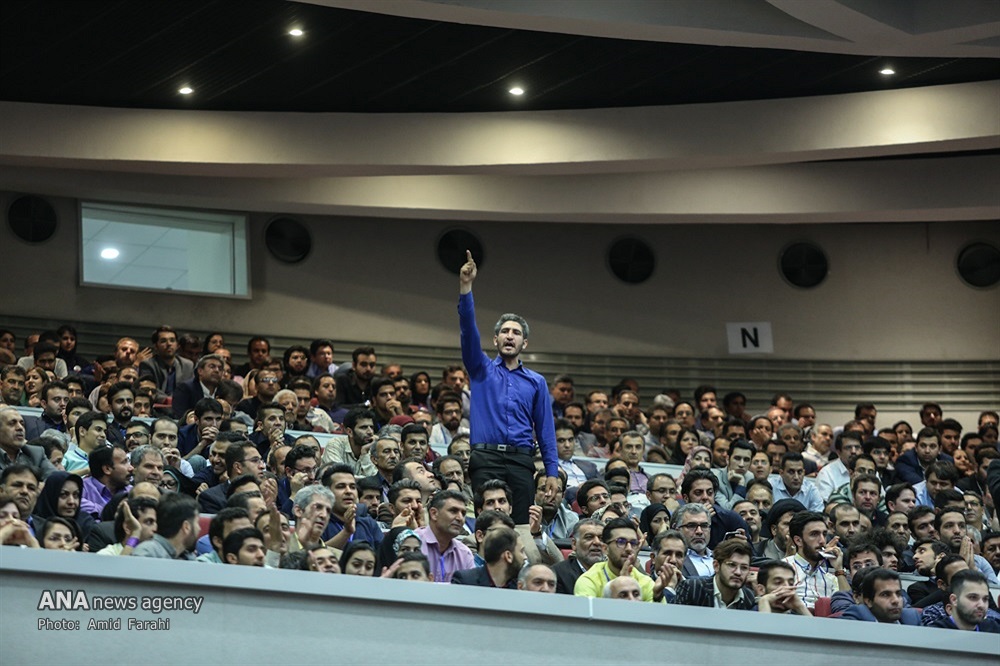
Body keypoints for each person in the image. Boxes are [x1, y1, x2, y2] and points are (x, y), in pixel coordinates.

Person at [457, 250, 559, 526]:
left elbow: (546, 430)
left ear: (524, 343)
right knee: (487, 524)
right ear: (495, 340)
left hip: (521, 461)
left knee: (521, 527)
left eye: (516, 333)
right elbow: (468, 330)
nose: (510, 336)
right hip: (485, 457)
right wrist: (466, 287)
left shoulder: (537, 381)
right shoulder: (480, 369)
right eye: (504, 331)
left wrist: (551, 471)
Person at [783, 510, 849, 608]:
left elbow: (847, 607)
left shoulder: (830, 578)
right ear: (798, 541)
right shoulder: (784, 569)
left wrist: (839, 568)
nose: (822, 541)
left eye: (824, 534)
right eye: (814, 534)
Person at [670, 538, 756, 610]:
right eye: (732, 565)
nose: (738, 572)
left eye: (744, 568)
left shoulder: (749, 597)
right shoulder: (692, 588)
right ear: (716, 566)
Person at [415, 489, 476, 582]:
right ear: (434, 514)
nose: (460, 518)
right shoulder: (413, 543)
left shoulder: (464, 553)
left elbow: (471, 589)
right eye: (453, 511)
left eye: (463, 513)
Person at [452, 526, 525, 589]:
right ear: (508, 556)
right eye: (521, 551)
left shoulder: (519, 586)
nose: (525, 557)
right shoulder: (465, 581)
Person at [840, 568, 921, 625]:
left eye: (898, 594)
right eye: (885, 595)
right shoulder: (857, 615)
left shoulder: (912, 618)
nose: (895, 600)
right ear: (868, 601)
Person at [131, 492, 199, 560]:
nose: (199, 528)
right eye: (197, 522)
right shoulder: (146, 553)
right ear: (186, 527)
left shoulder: (188, 557)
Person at [927, 570, 1000, 632]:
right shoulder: (935, 632)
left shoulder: (993, 629)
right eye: (973, 597)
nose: (981, 605)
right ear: (954, 600)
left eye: (985, 599)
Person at [551, 518, 605, 594]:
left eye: (601, 538)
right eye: (589, 537)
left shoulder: (614, 572)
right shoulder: (558, 574)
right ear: (574, 544)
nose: (597, 542)